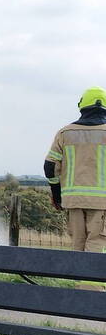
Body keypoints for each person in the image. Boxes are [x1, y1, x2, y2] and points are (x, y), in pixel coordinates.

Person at [44, 88, 106, 280]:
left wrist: (57, 194)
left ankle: (79, 292)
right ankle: (92, 295)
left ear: (82, 107)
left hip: (73, 201)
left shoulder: (65, 133)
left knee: (77, 246)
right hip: (102, 202)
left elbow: (49, 167)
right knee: (97, 243)